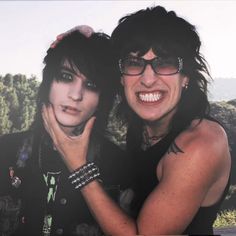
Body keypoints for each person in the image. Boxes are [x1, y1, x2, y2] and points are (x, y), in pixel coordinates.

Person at [42, 6, 232, 235]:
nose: (148, 79)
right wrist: (77, 41)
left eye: (165, 63)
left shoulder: (202, 143)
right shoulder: (146, 124)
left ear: (186, 77)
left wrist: (78, 167)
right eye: (134, 63)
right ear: (121, 77)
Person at [0, 27, 134, 236]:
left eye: (91, 84)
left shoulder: (120, 168)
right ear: (48, 84)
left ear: (102, 100)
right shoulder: (4, 151)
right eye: (66, 77)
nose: (76, 94)